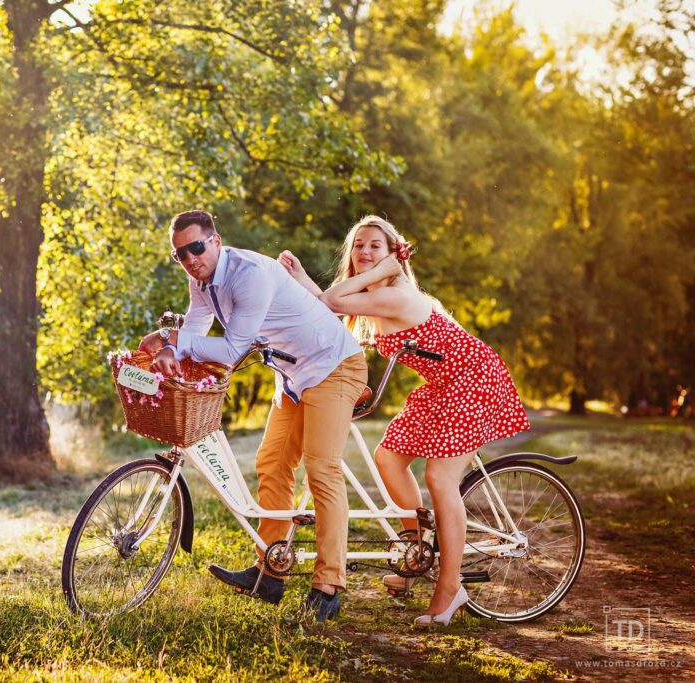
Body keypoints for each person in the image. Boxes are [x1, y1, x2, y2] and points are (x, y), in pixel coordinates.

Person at [279, 215, 530, 627]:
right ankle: (419, 549)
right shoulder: (375, 296)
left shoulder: (395, 295)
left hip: (473, 379)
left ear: (393, 254)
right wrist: (303, 276)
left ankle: (450, 588)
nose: (364, 252)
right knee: (389, 458)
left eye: (375, 246)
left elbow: (333, 301)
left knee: (440, 479)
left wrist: (385, 269)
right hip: (443, 384)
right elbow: (326, 305)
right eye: (358, 244)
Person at [138, 210, 368, 623]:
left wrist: (174, 340)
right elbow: (197, 322)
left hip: (335, 364)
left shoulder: (249, 275)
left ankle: (328, 586)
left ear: (216, 241)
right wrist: (173, 348)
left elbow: (230, 350)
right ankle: (270, 572)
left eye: (195, 248)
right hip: (294, 374)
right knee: (272, 465)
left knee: (322, 469)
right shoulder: (200, 278)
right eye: (179, 255)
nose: (189, 259)